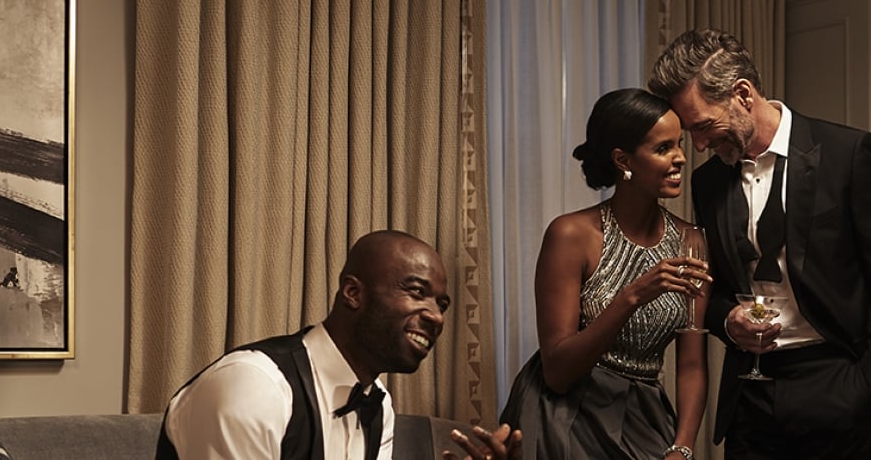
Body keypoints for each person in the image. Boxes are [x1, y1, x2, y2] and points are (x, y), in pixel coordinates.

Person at [647, 29, 871, 459]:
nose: (698, 145)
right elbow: (712, 289)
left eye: (703, 126)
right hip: (749, 395)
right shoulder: (708, 180)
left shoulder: (849, 153)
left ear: (742, 94)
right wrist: (728, 321)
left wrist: (869, 388)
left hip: (838, 381)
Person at [157, 230, 524, 460]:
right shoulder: (253, 386)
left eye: (442, 305)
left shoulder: (378, 404)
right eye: (416, 292)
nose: (437, 317)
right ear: (352, 293)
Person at [498, 88, 713, 460]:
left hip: (645, 415)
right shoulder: (571, 235)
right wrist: (633, 296)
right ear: (622, 159)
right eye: (663, 148)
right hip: (564, 416)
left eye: (679, 144)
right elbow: (557, 372)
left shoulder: (691, 241)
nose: (680, 157)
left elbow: (692, 364)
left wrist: (683, 447)